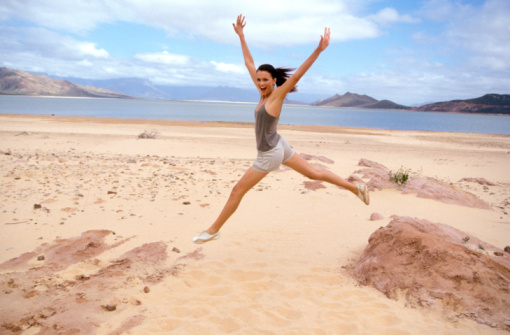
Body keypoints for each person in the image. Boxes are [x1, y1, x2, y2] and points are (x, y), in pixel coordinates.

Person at [193, 14, 369, 244]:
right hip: (280, 144)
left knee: (237, 191)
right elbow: (248, 63)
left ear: (274, 80)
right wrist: (241, 36)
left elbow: (298, 74)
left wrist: (319, 50)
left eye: (265, 79)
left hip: (269, 153)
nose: (261, 83)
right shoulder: (262, 94)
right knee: (314, 173)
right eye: (258, 80)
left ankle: (213, 230)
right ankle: (356, 189)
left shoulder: (276, 96)